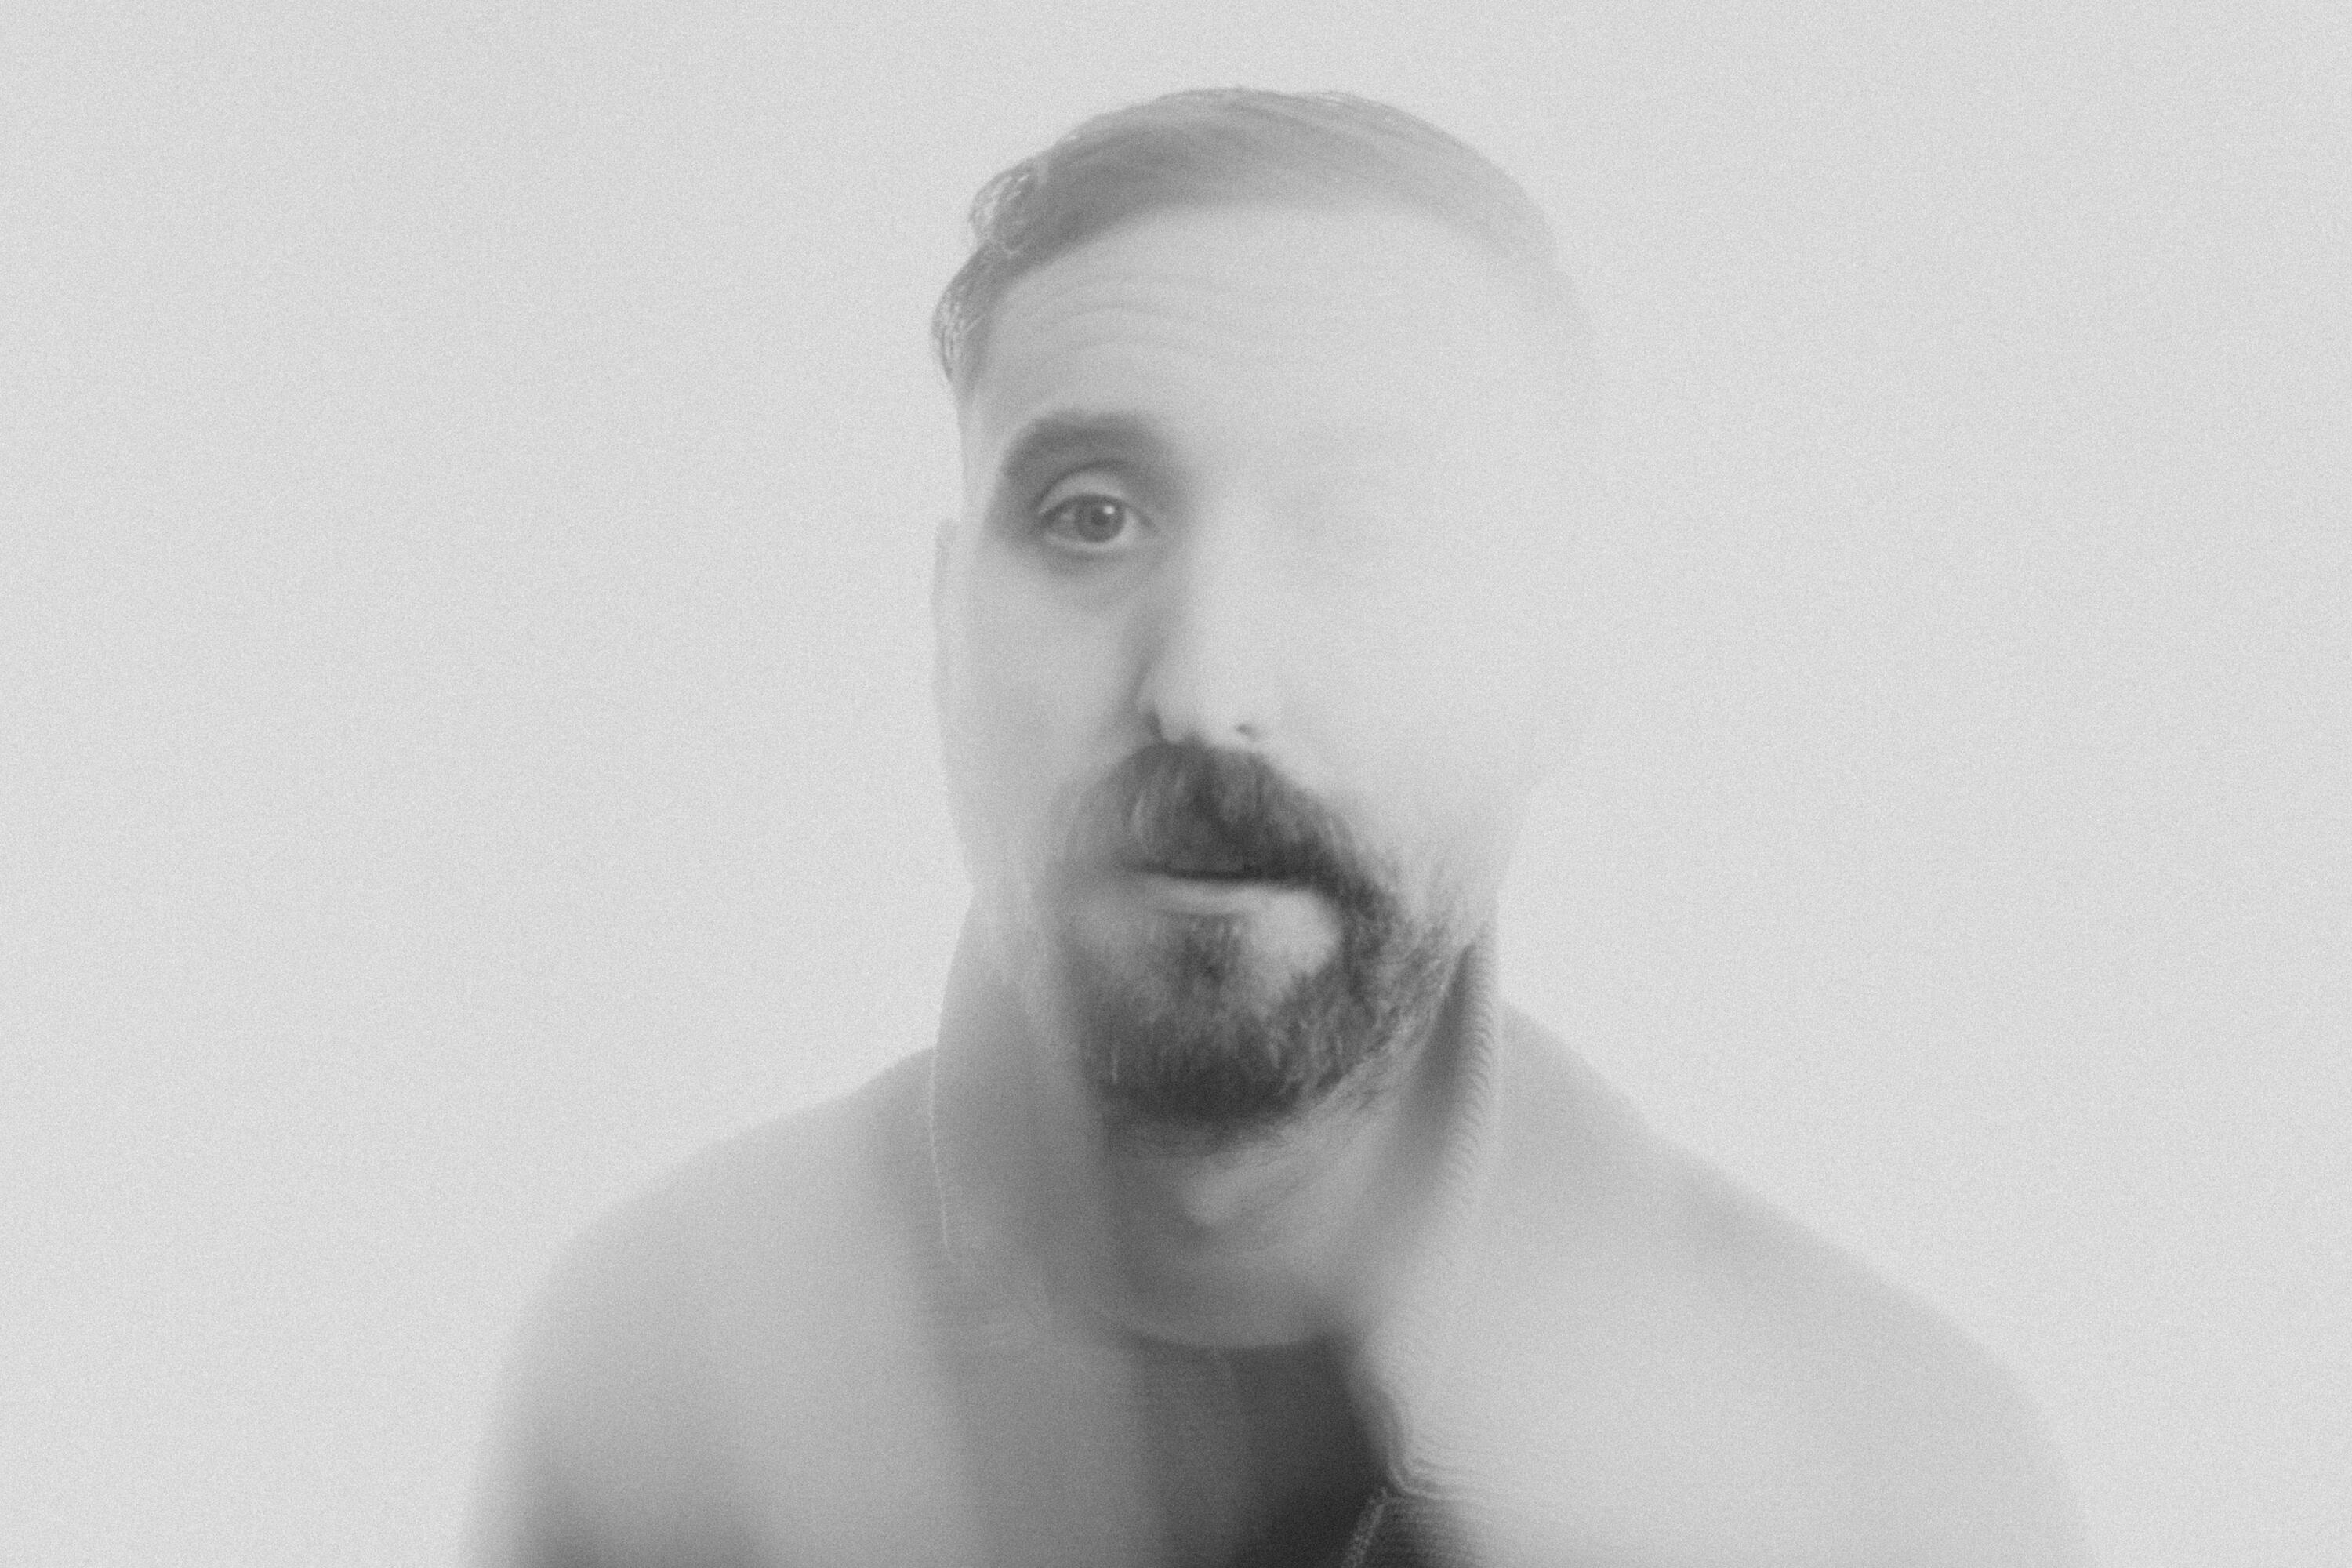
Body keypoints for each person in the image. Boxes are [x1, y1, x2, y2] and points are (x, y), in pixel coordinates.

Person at [468, 89, 2089, 1567]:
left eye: (1365, 527)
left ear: (1552, 657)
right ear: (946, 628)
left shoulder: (1893, 1484)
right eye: (1093, 517)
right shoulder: (651, 1386)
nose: (1204, 685)